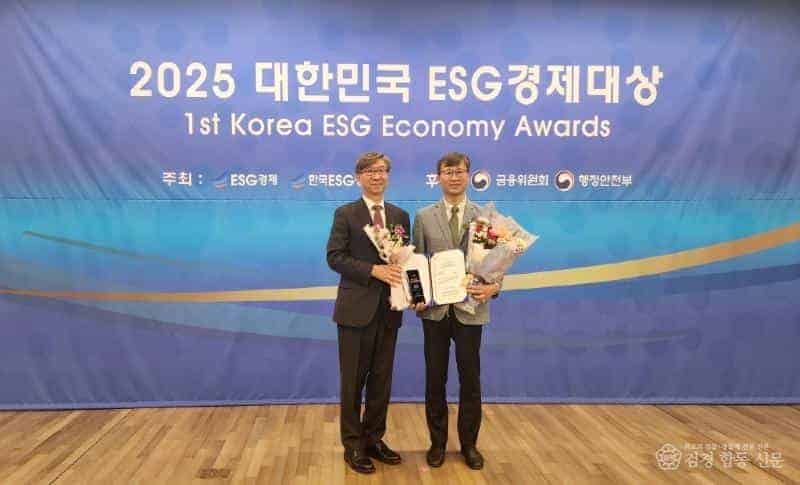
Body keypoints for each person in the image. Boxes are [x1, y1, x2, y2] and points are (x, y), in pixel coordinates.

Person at [411, 152, 500, 470]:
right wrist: (417, 296)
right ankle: (436, 443)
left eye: (459, 171)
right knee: (435, 380)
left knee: (470, 380)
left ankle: (469, 445)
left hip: (471, 311)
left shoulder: (485, 217)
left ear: (468, 175)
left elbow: (496, 265)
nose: (454, 177)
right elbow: (416, 264)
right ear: (438, 177)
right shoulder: (423, 216)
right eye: (447, 172)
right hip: (435, 313)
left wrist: (493, 288)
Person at [326, 151, 410, 474]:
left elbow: (405, 261)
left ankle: (374, 439)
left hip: (390, 311)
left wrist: (413, 293)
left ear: (388, 175)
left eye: (382, 170)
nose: (377, 176)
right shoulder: (346, 214)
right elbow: (335, 257)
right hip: (354, 311)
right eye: (370, 171)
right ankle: (353, 445)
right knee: (352, 382)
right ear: (358, 177)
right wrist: (373, 270)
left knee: (381, 381)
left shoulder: (400, 216)